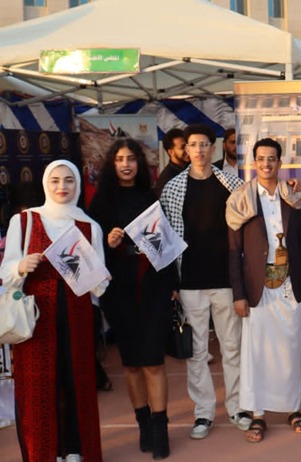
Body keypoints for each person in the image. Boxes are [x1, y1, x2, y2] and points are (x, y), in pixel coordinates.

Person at [0, 160, 109, 462]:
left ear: (77, 185)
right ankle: (46, 452)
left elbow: (99, 286)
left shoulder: (89, 226)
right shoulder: (25, 221)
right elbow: (6, 271)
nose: (62, 187)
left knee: (77, 382)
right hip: (36, 316)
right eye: (56, 180)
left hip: (77, 314)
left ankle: (75, 449)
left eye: (69, 180)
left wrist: (99, 277)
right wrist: (21, 266)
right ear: (46, 184)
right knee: (38, 385)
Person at [89, 139, 176, 459]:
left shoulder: (150, 197)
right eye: (120, 159)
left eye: (131, 159)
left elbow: (165, 245)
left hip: (153, 287)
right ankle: (143, 424)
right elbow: (89, 254)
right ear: (112, 165)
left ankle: (160, 428)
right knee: (132, 365)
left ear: (140, 164)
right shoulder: (100, 203)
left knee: (154, 361)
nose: (126, 164)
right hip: (120, 292)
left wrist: (172, 284)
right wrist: (108, 243)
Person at [160, 123, 247, 439]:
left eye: (203, 144)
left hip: (226, 280)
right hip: (189, 282)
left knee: (232, 348)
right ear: (186, 150)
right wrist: (171, 282)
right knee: (196, 352)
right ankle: (203, 413)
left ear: (213, 147)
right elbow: (164, 238)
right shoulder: (171, 188)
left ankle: (237, 407)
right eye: (192, 145)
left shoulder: (233, 184)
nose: (198, 150)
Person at [225, 138, 301, 442]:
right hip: (256, 288)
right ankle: (258, 414)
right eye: (261, 159)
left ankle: (293, 409)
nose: (266, 164)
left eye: (272, 159)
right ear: (254, 162)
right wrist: (238, 294)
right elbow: (234, 252)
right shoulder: (241, 200)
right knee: (257, 353)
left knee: (289, 351)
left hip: (289, 284)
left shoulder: (293, 197)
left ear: (279, 162)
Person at [155, 128, 188, 195]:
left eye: (188, 146)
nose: (188, 150)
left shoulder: (194, 168)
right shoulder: (167, 180)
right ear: (171, 152)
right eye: (182, 147)